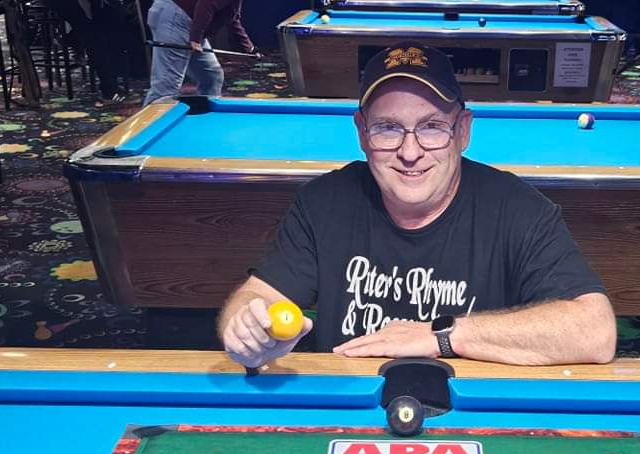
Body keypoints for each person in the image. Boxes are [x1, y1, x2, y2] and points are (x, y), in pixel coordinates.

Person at [218, 43, 616, 368]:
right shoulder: (323, 201)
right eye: (388, 128)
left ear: (462, 131)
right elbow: (258, 297)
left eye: (431, 127)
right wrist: (248, 329)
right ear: (361, 132)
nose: (410, 152)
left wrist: (440, 335)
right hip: (347, 416)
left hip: (479, 423)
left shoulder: (519, 209)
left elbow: (594, 332)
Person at [142, 0, 256, 105]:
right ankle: (146, 126)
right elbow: (207, 3)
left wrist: (248, 47)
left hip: (187, 20)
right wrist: (195, 38)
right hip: (176, 17)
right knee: (166, 87)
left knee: (211, 75)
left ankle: (205, 116)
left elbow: (231, 15)